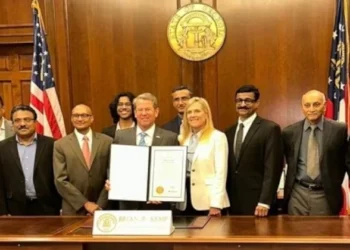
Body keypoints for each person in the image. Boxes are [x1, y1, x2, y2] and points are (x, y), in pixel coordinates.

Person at [106, 93, 178, 210]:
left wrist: (165, 193)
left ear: (156, 112)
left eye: (148, 109)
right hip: (128, 203)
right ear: (135, 113)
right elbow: (113, 166)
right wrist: (112, 181)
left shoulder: (170, 137)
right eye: (140, 110)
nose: (144, 113)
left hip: (158, 203)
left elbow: (174, 170)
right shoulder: (121, 136)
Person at [283, 90, 350, 215]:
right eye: (307, 105)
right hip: (297, 194)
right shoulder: (289, 132)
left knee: (323, 233)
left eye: (316, 104)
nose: (312, 109)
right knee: (295, 232)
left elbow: (347, 162)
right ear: (302, 107)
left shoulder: (339, 130)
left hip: (325, 195)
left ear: (324, 106)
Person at [225, 85, 284, 217]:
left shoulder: (270, 129)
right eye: (239, 100)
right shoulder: (229, 132)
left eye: (248, 100)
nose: (243, 104)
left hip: (259, 204)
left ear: (257, 103)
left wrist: (265, 201)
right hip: (232, 203)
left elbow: (273, 169)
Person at [0, 105, 60, 215]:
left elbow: (60, 177)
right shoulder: (2, 148)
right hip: (15, 209)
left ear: (35, 122)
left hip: (48, 208)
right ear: (12, 124)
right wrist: (2, 212)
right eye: (17, 120)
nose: (22, 124)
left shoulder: (53, 145)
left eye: (27, 120)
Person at [54, 104, 113, 215]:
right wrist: (85, 204)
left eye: (84, 115)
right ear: (71, 119)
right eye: (76, 116)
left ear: (92, 118)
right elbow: (60, 180)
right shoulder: (60, 144)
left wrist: (100, 204)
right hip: (73, 207)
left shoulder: (107, 141)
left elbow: (112, 175)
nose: (80, 119)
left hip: (102, 207)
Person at [177, 97, 230, 216]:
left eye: (197, 111)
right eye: (189, 112)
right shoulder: (183, 139)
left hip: (208, 202)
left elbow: (221, 173)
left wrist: (216, 204)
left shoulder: (218, 137)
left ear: (206, 114)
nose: (192, 115)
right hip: (185, 202)